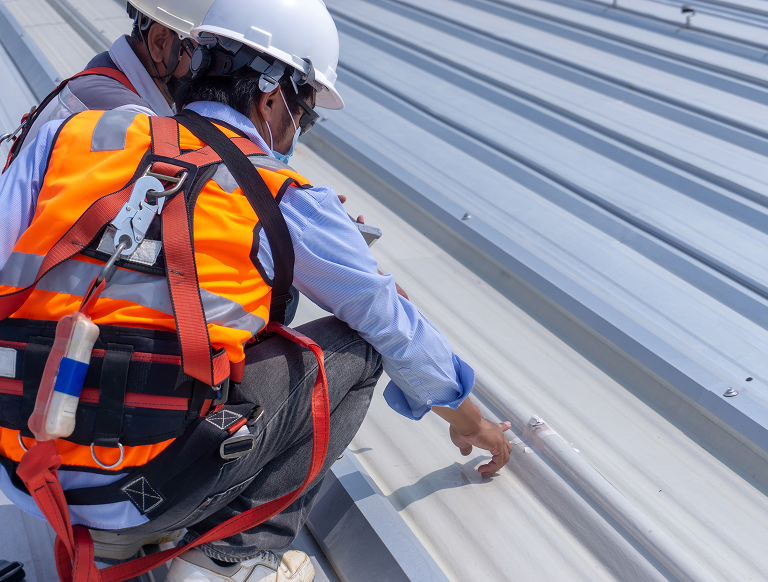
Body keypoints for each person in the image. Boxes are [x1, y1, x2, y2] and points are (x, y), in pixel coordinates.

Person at [0, 1, 513, 581]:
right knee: (357, 346)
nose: (300, 130)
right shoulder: (284, 196)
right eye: (306, 112)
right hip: (145, 489)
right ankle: (231, 559)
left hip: (22, 467)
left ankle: (115, 534)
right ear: (273, 98)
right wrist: (469, 417)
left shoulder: (71, 137)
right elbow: (390, 322)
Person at [8, 0, 208, 157]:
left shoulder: (103, 76)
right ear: (159, 42)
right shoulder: (131, 126)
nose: (210, 68)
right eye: (203, 53)